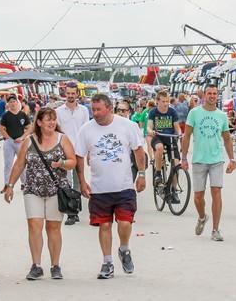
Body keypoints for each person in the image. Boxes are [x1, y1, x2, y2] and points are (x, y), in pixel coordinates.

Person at [75, 94, 146, 279]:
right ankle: (107, 262)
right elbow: (79, 157)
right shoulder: (86, 130)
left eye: (99, 109)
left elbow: (138, 150)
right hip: (99, 188)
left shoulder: (127, 126)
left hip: (124, 186)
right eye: (93, 109)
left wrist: (142, 174)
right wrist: (82, 181)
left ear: (109, 108)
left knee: (125, 223)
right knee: (104, 225)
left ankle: (124, 249)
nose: (95, 113)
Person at [3, 108, 77, 280]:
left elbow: (73, 161)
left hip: (55, 190)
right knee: (34, 226)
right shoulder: (29, 141)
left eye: (53, 119)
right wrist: (10, 185)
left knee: (53, 227)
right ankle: (36, 265)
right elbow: (19, 164)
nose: (51, 122)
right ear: (39, 122)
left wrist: (62, 163)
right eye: (47, 119)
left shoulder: (62, 139)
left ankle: (55, 265)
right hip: (33, 189)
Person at [180, 85, 235, 242]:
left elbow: (227, 138)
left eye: (214, 93)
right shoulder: (194, 113)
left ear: (217, 96)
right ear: (204, 95)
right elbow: (187, 136)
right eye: (209, 93)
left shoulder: (222, 116)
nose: (212, 96)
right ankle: (202, 217)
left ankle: (215, 230)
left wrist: (232, 159)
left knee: (216, 192)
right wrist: (184, 158)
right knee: (198, 196)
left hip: (217, 159)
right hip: (199, 159)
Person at [55, 81, 90, 226]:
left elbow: (87, 130)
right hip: (64, 150)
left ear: (77, 94)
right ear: (65, 94)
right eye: (68, 93)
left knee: (78, 181)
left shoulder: (84, 110)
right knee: (66, 181)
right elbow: (56, 131)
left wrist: (88, 151)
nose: (70, 96)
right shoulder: (58, 111)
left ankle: (74, 210)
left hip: (80, 151)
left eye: (73, 93)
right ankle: (71, 212)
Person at [147, 90, 182, 203]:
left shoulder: (172, 112)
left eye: (167, 101)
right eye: (163, 101)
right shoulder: (153, 112)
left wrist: (180, 134)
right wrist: (151, 131)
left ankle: (174, 190)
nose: (166, 104)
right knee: (160, 148)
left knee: (176, 165)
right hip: (158, 136)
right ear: (157, 101)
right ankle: (158, 173)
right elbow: (149, 127)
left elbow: (177, 127)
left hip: (170, 138)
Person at [0, 94, 32, 192]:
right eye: (10, 102)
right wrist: (8, 138)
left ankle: (24, 183)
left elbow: (29, 127)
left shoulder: (22, 115)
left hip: (20, 142)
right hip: (9, 142)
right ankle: (7, 184)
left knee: (22, 163)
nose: (12, 104)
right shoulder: (5, 115)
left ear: (17, 102)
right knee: (8, 164)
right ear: (8, 104)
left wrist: (22, 137)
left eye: (14, 101)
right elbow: (1, 128)